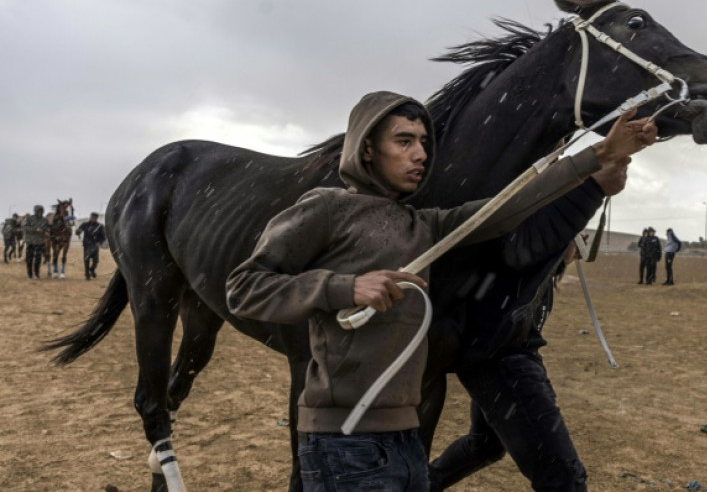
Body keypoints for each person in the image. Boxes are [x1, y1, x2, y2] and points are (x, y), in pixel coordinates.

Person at [225, 91, 657, 491]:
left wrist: (603, 153)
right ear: (367, 149)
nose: (420, 154)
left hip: (407, 438)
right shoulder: (326, 207)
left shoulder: (426, 225)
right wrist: (346, 287)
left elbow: (507, 206)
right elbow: (245, 288)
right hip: (343, 441)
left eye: (423, 143)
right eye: (404, 141)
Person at [428, 157, 629, 491]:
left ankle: (423, 483)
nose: (577, 247)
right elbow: (526, 246)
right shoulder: (524, 236)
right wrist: (594, 183)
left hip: (498, 353)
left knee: (486, 445)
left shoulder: (542, 250)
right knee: (563, 479)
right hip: (501, 358)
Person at [75, 212, 107, 280]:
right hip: (86, 244)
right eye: (91, 217)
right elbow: (78, 231)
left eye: (93, 218)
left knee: (96, 261)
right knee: (86, 259)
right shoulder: (85, 224)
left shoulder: (100, 226)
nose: (92, 219)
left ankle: (92, 270)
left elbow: (103, 237)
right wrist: (78, 231)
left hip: (95, 245)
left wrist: (100, 242)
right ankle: (87, 274)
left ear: (96, 218)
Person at [21, 205, 49, 279]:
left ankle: (36, 273)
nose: (40, 213)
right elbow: (25, 227)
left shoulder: (45, 220)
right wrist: (34, 229)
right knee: (29, 259)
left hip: (40, 242)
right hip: (30, 241)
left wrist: (44, 231)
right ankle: (29, 274)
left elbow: (47, 228)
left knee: (38, 259)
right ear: (35, 211)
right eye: (38, 211)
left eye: (41, 211)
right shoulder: (30, 218)